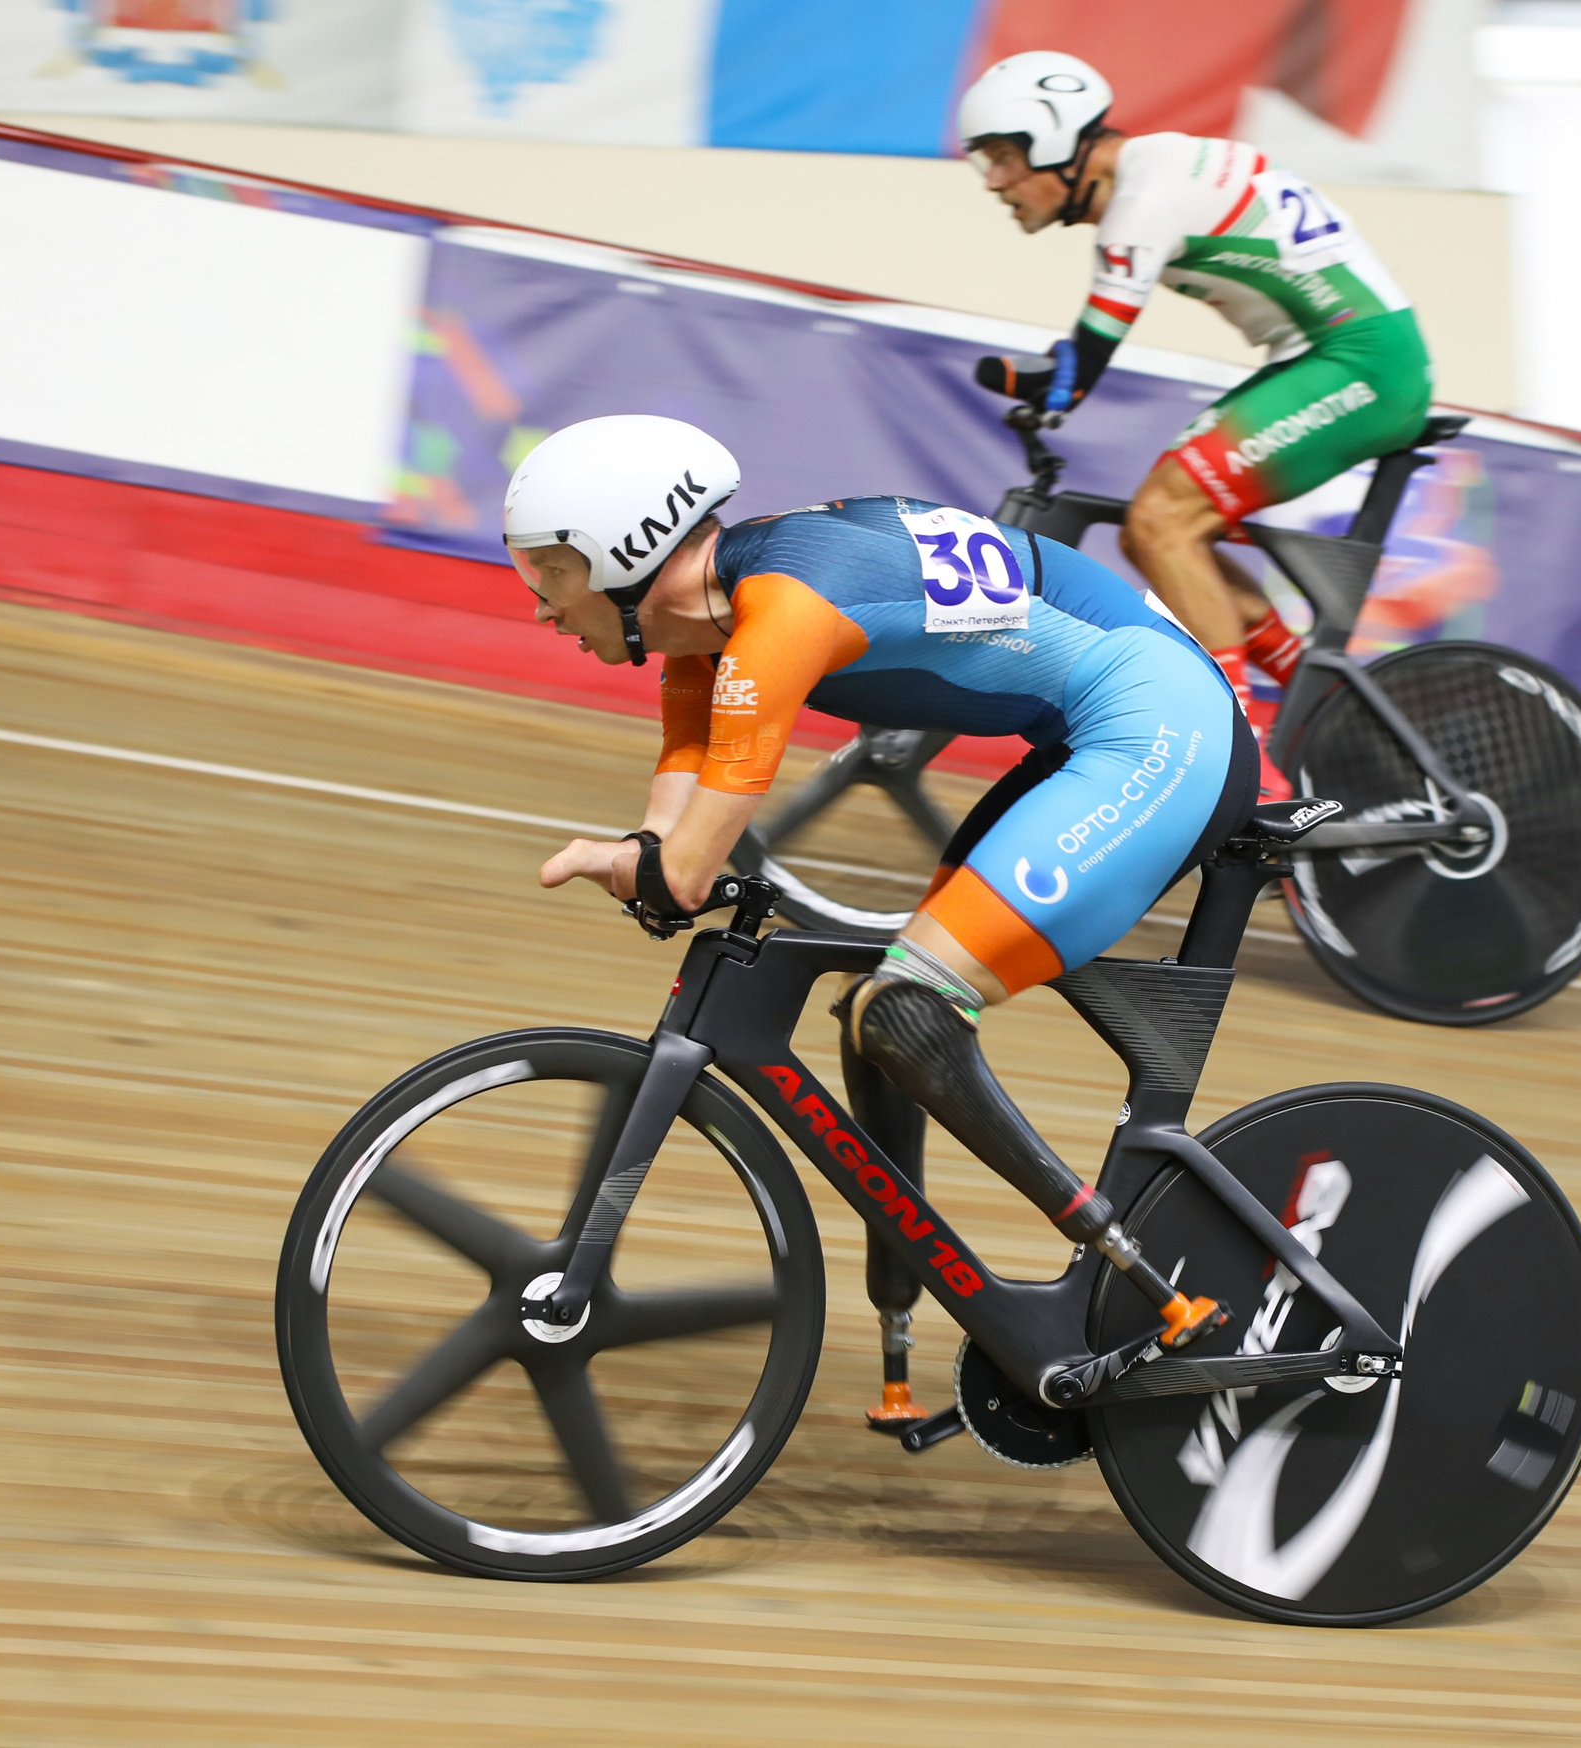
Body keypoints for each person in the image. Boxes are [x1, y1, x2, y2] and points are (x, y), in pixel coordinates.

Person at [508, 414, 1250, 1429]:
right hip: (1093, 723)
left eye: (551, 570)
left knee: (906, 1011)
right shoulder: (708, 635)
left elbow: (682, 869)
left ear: (629, 553)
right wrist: (643, 855)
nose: (541, 603)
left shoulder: (781, 616)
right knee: (877, 1011)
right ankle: (908, 1343)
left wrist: (640, 868)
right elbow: (673, 814)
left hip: (1161, 726)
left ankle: (1142, 1274)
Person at [957, 50, 1436, 791]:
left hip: (1361, 362)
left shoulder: (1138, 206)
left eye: (1000, 157)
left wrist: (1033, 384)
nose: (991, 183)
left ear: (1052, 141)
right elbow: (1081, 356)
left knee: (1162, 521)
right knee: (1160, 537)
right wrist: (1039, 379)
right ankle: (1327, 704)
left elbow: (1082, 367)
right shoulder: (1155, 169)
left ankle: (1247, 767)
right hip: (1336, 354)